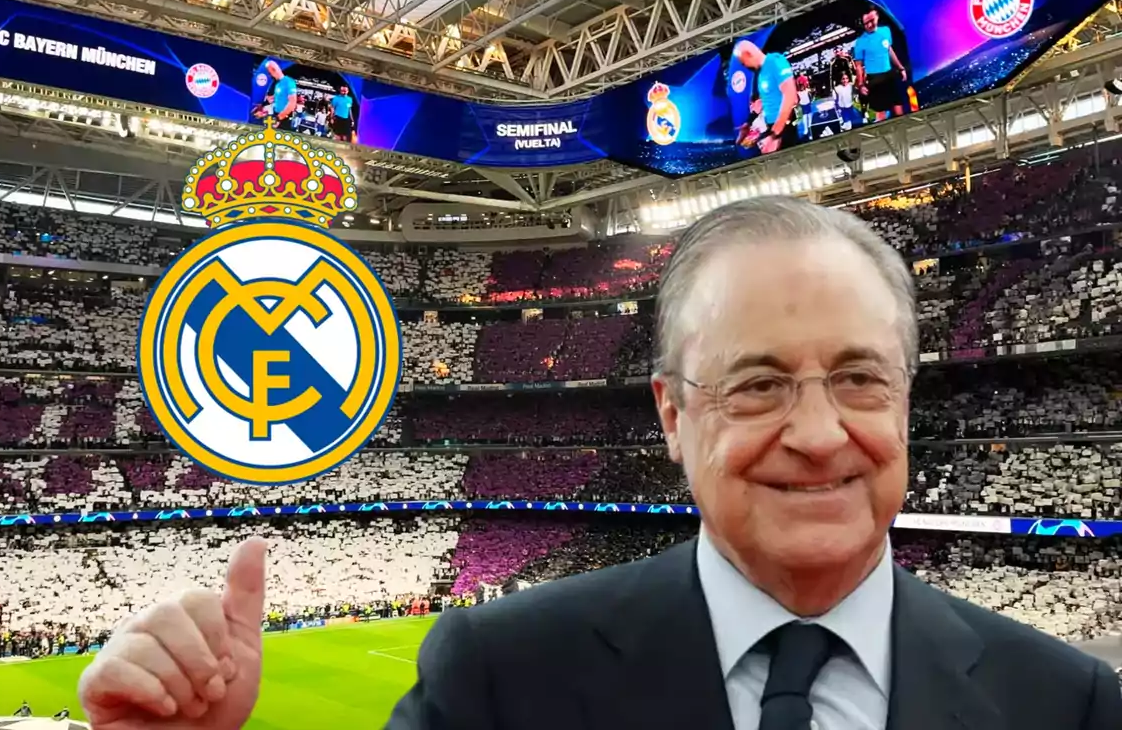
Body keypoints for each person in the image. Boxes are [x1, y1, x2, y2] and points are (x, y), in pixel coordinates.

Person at [75, 198, 1122, 729]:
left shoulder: (1068, 702)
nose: (816, 432)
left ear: (905, 399)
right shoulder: (497, 676)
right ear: (670, 411)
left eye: (858, 377)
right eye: (756, 382)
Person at [734, 40, 799, 155]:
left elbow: (790, 95)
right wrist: (748, 124)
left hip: (784, 129)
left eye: (744, 63)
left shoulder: (775, 61)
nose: (746, 67)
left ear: (749, 54)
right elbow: (761, 103)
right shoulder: (760, 74)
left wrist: (775, 135)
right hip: (772, 128)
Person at [852, 8, 907, 122]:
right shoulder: (860, 42)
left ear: (877, 17)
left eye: (871, 20)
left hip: (889, 75)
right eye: (866, 23)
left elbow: (889, 50)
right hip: (875, 80)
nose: (869, 25)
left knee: (898, 105)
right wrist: (861, 84)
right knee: (880, 112)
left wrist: (900, 68)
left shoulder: (886, 31)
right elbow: (858, 66)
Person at [255, 60, 298, 131]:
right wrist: (262, 107)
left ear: (274, 70)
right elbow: (274, 99)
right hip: (276, 116)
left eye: (270, 72)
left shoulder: (289, 82)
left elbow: (292, 103)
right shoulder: (278, 84)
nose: (270, 75)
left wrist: (278, 118)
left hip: (284, 120)